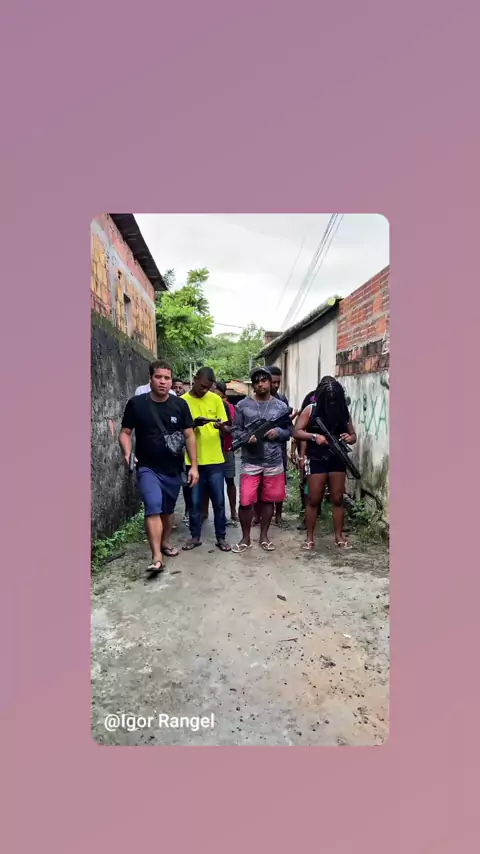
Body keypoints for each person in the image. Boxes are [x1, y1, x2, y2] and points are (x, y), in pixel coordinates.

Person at [119, 359, 199, 573]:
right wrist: (127, 452)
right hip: (147, 467)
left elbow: (190, 436)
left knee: (167, 510)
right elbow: (125, 432)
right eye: (158, 377)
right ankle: (157, 557)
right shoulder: (136, 404)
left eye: (167, 378)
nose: (163, 381)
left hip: (173, 468)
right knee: (153, 506)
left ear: (171, 381)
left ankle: (165, 541)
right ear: (151, 378)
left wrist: (194, 467)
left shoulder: (180, 405)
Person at [232, 367, 293, 553]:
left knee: (268, 500)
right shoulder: (243, 405)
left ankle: (264, 537)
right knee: (245, 501)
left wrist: (278, 432)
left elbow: (290, 430)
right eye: (256, 381)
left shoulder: (281, 407)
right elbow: (235, 430)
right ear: (253, 384)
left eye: (264, 380)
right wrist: (246, 437)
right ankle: (245, 538)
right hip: (250, 460)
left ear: (269, 381)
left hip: (273, 461)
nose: (260, 384)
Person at [293, 376, 356, 550]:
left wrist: (349, 437)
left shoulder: (343, 411)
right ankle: (309, 538)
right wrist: (314, 437)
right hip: (317, 459)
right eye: (329, 400)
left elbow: (354, 436)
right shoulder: (311, 410)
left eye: (335, 399)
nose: (332, 403)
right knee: (313, 499)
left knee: (337, 499)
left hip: (337, 459)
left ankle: (339, 536)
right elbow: (296, 432)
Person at [181, 367, 231, 552]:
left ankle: (221, 537)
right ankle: (195, 537)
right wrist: (193, 424)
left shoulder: (216, 400)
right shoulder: (182, 402)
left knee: (219, 501)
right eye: (202, 386)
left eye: (208, 388)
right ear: (194, 379)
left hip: (215, 459)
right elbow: (178, 432)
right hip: (192, 461)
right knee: (194, 503)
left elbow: (226, 430)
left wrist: (221, 427)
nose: (205, 390)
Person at [213, 381, 239, 526]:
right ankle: (206, 512)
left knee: (229, 480)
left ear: (222, 393)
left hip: (227, 448)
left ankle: (233, 511)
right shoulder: (208, 404)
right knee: (211, 483)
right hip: (211, 450)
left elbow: (233, 427)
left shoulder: (230, 407)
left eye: (214, 390)